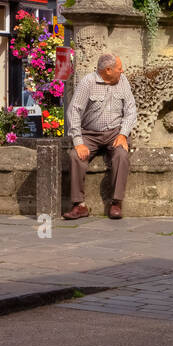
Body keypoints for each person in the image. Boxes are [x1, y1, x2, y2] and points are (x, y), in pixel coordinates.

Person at [63, 53, 136, 221]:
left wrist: (123, 133)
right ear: (108, 70)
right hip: (90, 133)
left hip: (115, 133)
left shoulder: (123, 81)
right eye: (119, 68)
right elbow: (73, 111)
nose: (122, 71)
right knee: (75, 156)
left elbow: (131, 110)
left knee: (121, 155)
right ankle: (79, 205)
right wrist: (79, 142)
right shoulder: (88, 82)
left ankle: (116, 202)